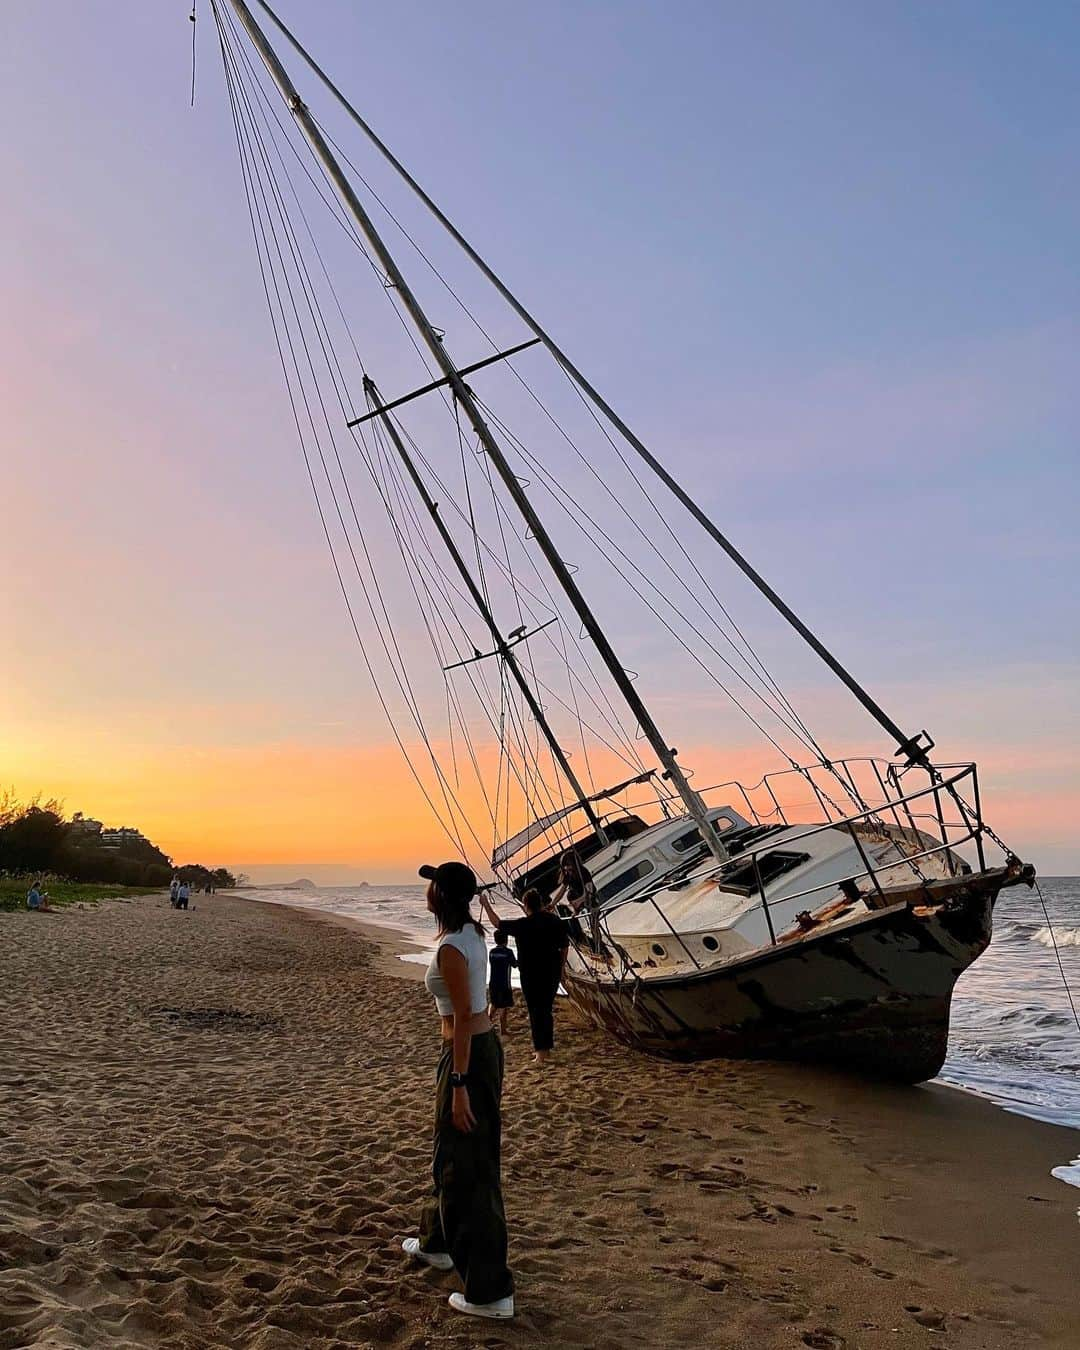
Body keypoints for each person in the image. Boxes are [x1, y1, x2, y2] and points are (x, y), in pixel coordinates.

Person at [401, 860, 514, 1321]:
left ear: (441, 896)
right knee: (450, 1153)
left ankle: (489, 1293)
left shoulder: (452, 946)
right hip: (478, 1050)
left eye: (432, 886)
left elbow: (464, 1017)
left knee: (466, 1166)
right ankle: (437, 1241)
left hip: (467, 1055)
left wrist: (460, 1085)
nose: (427, 892)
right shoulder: (473, 934)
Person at [479, 888, 568, 1065]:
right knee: (545, 1010)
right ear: (541, 903)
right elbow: (564, 946)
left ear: (526, 906)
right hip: (551, 971)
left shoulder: (522, 924)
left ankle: (541, 1053)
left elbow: (497, 923)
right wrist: (562, 968)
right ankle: (546, 1049)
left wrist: (486, 904)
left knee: (536, 1011)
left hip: (530, 974)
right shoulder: (554, 921)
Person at [487, 929, 517, 1036]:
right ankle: (503, 1030)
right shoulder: (508, 952)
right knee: (504, 1007)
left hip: (493, 982)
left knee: (494, 1004)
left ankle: (487, 1025)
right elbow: (514, 964)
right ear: (506, 940)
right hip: (504, 984)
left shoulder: (492, 952)